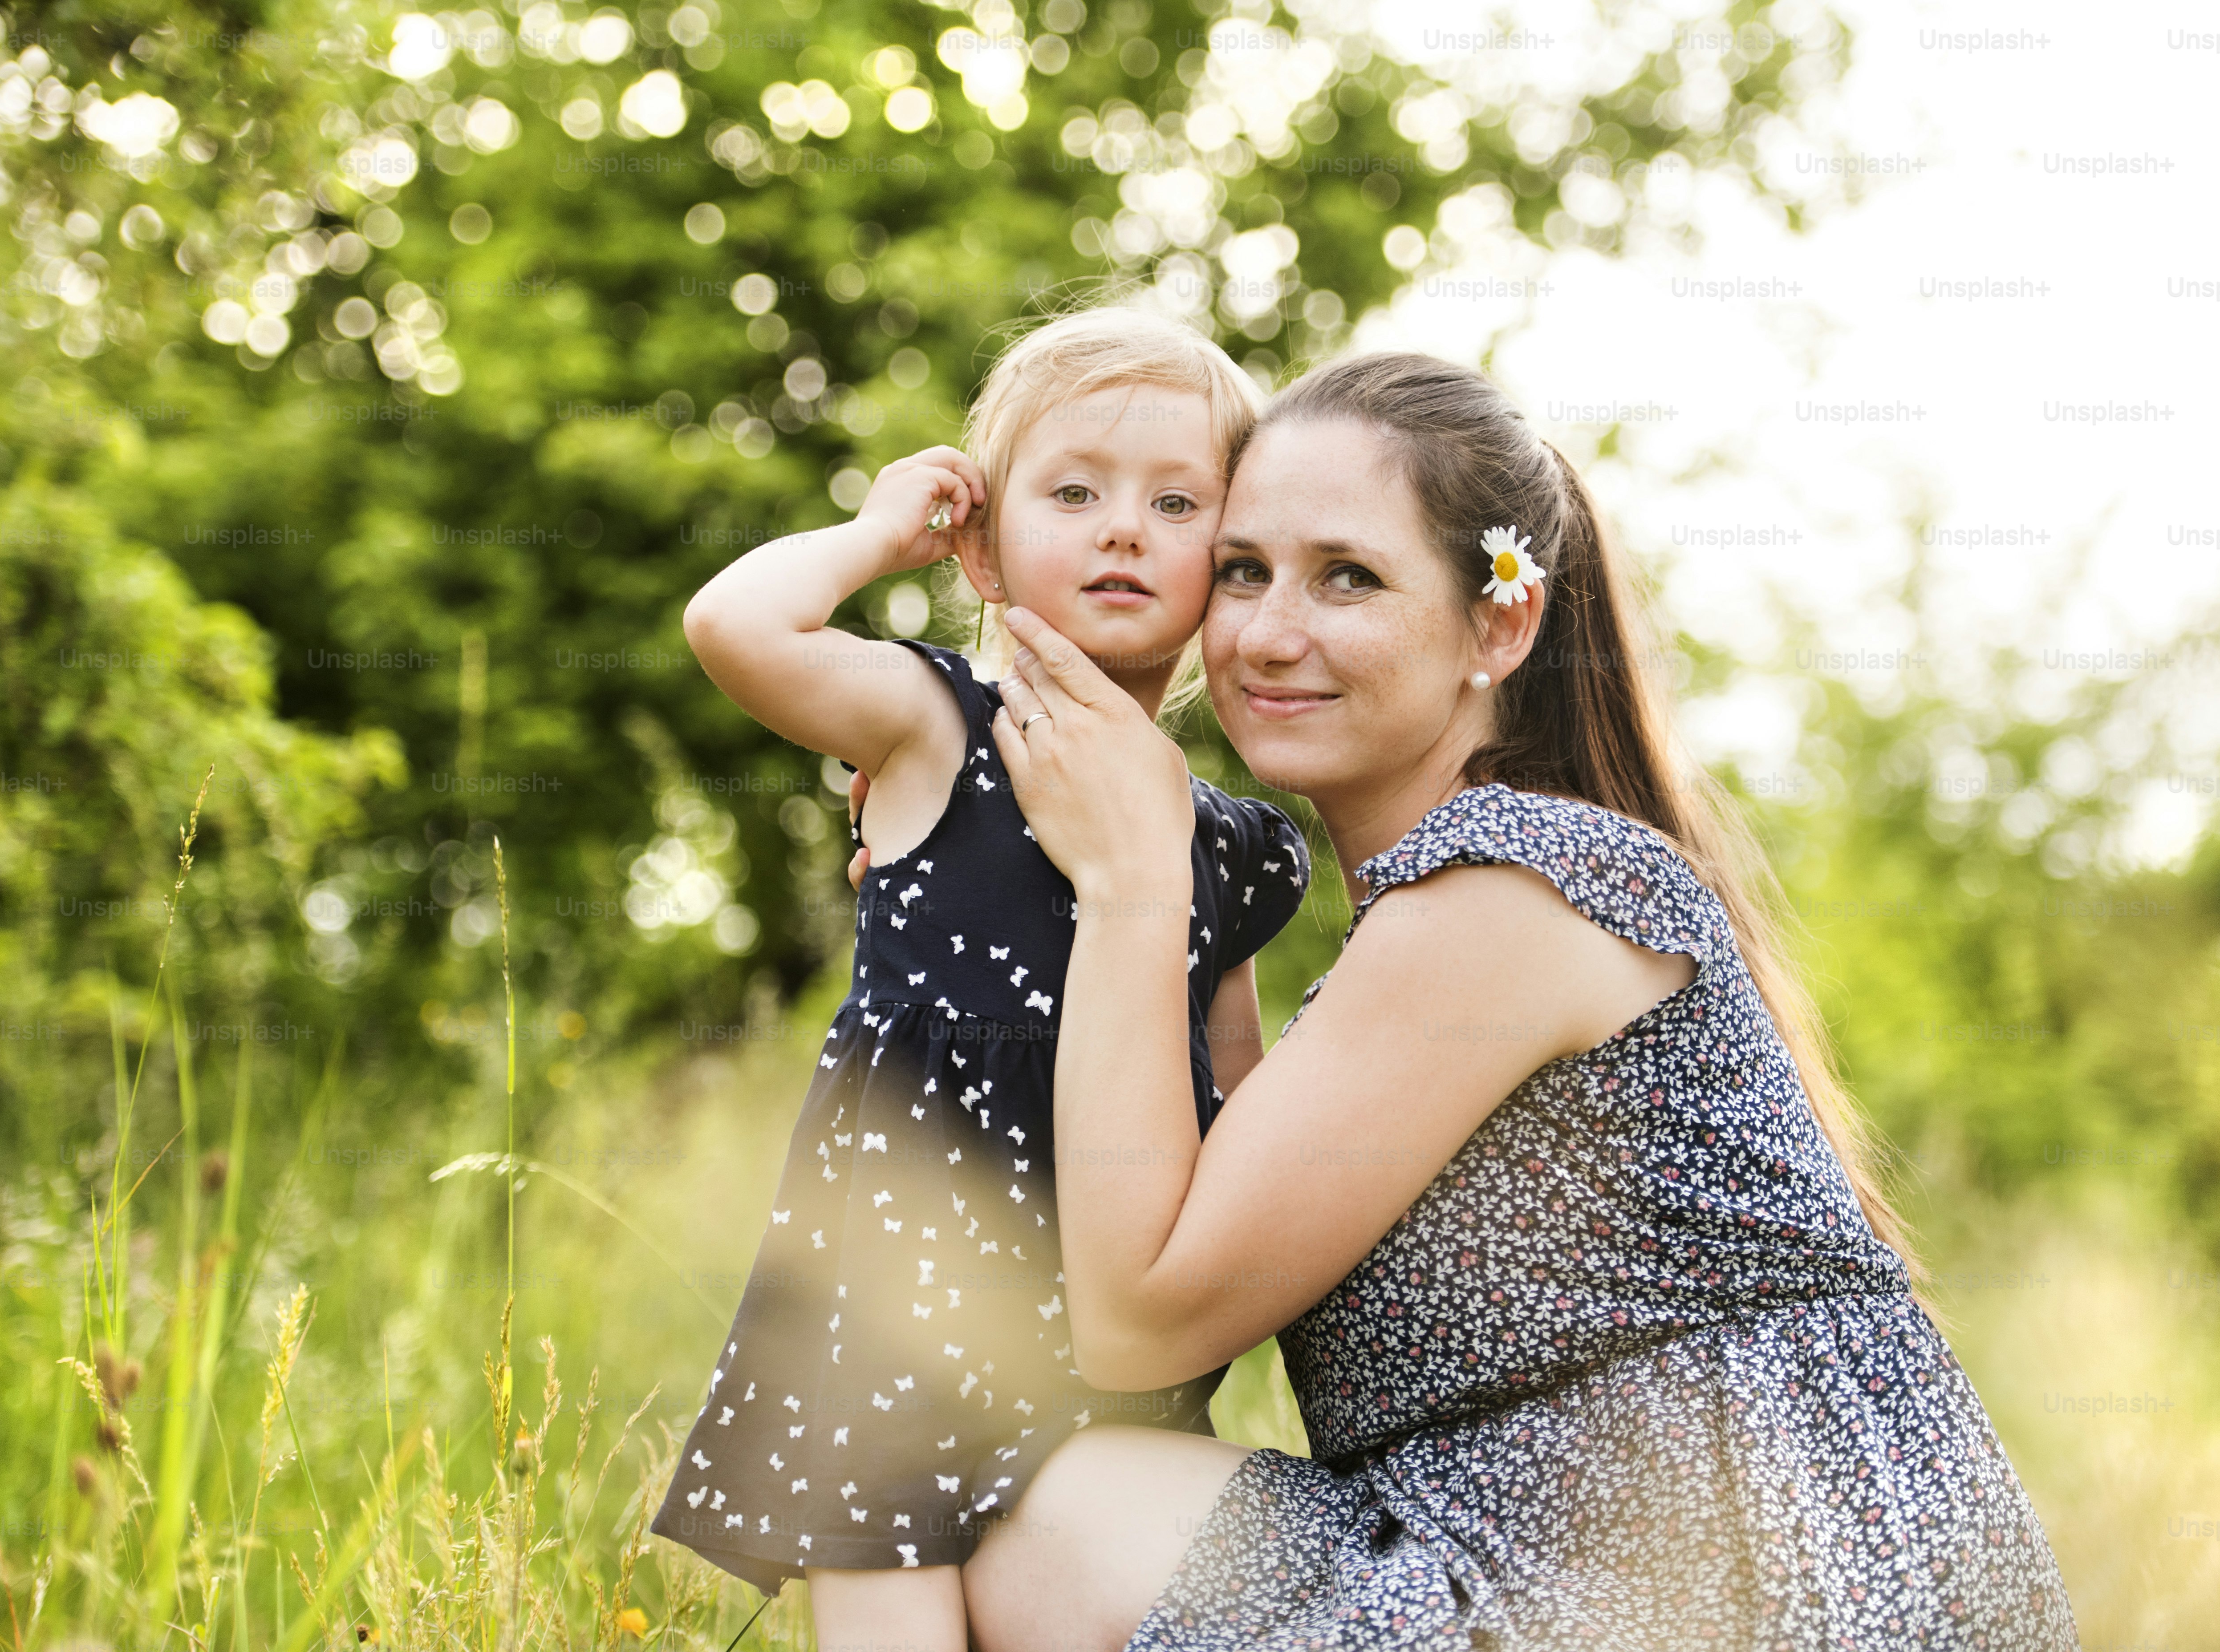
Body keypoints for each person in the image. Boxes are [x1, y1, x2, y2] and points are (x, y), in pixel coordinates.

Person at [955, 353, 2081, 1650]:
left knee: (1057, 1518)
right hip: (1594, 1569)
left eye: (1349, 577)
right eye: (1246, 570)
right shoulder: (1442, 921)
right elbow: (1186, 1229)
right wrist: (973, 858)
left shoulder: (1514, 894)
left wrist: (1136, 881)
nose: (1268, 632)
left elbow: (1140, 1317)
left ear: (1500, 623)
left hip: (1751, 1592)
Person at [646, 308, 1311, 1652]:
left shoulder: (1234, 845)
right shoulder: (933, 724)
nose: (1124, 528)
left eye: (1176, 502)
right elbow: (734, 624)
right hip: (897, 1297)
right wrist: (879, 537)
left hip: (1106, 1323)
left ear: (1227, 559)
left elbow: (1241, 1098)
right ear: (987, 535)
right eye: (1073, 493)